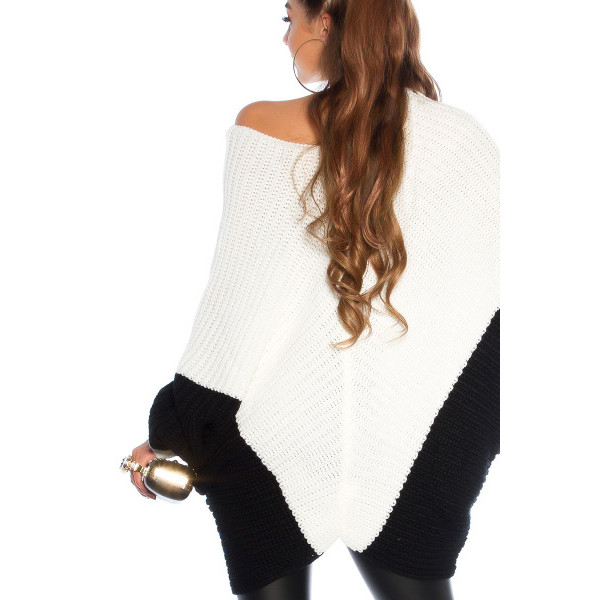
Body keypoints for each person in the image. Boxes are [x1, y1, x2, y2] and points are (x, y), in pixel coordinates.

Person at [129, 1, 500, 598]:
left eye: (288, 19)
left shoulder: (263, 127)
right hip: (419, 443)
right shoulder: (467, 143)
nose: (286, 39)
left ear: (325, 19)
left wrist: (173, 432)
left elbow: (236, 317)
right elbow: (489, 319)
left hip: (269, 439)